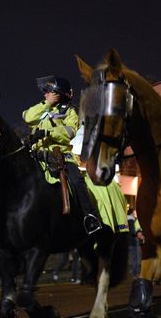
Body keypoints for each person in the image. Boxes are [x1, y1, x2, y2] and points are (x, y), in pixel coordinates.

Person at [23, 75, 101, 235]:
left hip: (60, 157)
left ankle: (91, 216)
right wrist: (46, 104)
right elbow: (28, 117)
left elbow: (69, 133)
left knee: (77, 181)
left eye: (48, 92)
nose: (45, 95)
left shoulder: (70, 113)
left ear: (58, 94)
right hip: (36, 156)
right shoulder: (43, 108)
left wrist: (48, 131)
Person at [127, 207, 145, 278]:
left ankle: (134, 271)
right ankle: (136, 273)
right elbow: (133, 231)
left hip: (129, 241)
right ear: (131, 213)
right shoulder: (132, 220)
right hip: (134, 241)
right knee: (136, 259)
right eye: (134, 212)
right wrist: (139, 234)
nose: (135, 214)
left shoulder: (127, 219)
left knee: (133, 258)